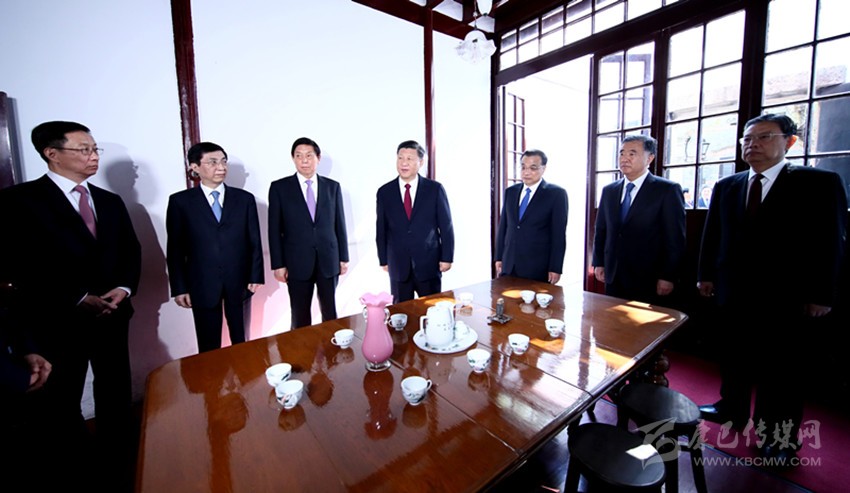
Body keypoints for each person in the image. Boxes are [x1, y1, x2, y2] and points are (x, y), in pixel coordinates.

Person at [697, 114, 847, 465]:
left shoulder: (818, 183)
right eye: (747, 139)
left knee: (781, 370)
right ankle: (731, 408)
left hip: (786, 297)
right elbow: (712, 235)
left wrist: (822, 294)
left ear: (790, 142)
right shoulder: (728, 185)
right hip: (734, 292)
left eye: (764, 137)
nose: (753, 145)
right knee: (734, 355)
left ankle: (777, 436)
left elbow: (832, 242)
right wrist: (705, 275)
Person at [0, 120, 142, 488]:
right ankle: (77, 469)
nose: (93, 156)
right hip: (58, 320)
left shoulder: (109, 201)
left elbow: (131, 251)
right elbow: (20, 265)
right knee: (62, 399)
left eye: (95, 150)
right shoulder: (19, 201)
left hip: (112, 315)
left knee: (115, 392)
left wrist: (123, 288)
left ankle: (121, 464)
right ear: (52, 153)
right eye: (84, 149)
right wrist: (77, 297)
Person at [166, 142, 264, 353]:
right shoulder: (180, 202)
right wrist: (180, 288)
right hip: (201, 283)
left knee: (242, 341)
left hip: (239, 281)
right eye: (212, 162)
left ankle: (244, 372)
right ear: (195, 167)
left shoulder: (244, 199)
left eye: (223, 162)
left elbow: (254, 241)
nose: (221, 167)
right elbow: (175, 249)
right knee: (208, 345)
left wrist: (256, 275)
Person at [592, 135, 686, 303]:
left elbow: (675, 238)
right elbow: (601, 230)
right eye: (622, 153)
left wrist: (668, 276)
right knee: (612, 318)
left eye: (632, 154)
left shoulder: (666, 190)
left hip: (648, 277)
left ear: (650, 158)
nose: (624, 158)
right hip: (614, 274)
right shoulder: (609, 191)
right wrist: (599, 262)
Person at [268, 137, 349, 328]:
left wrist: (343, 257)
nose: (304, 160)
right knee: (300, 315)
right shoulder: (280, 188)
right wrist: (278, 264)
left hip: (328, 260)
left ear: (318, 158)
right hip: (296, 262)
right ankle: (301, 347)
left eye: (309, 155)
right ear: (293, 159)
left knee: (330, 312)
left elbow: (339, 224)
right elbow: (274, 230)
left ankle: (332, 345)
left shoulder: (332, 187)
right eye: (299, 156)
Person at [376, 140, 455, 303]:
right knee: (400, 311)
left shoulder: (434, 189)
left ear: (421, 162)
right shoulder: (385, 192)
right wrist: (383, 259)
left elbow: (446, 226)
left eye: (409, 159)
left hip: (429, 263)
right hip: (398, 264)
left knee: (432, 308)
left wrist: (447, 257)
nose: (404, 163)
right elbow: (381, 229)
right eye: (400, 158)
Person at [495, 149, 568, 284]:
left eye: (533, 168)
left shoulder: (556, 194)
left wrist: (555, 267)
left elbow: (558, 234)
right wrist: (499, 257)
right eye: (523, 167)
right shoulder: (510, 192)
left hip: (537, 266)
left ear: (543, 169)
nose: (526, 172)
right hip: (509, 264)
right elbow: (504, 227)